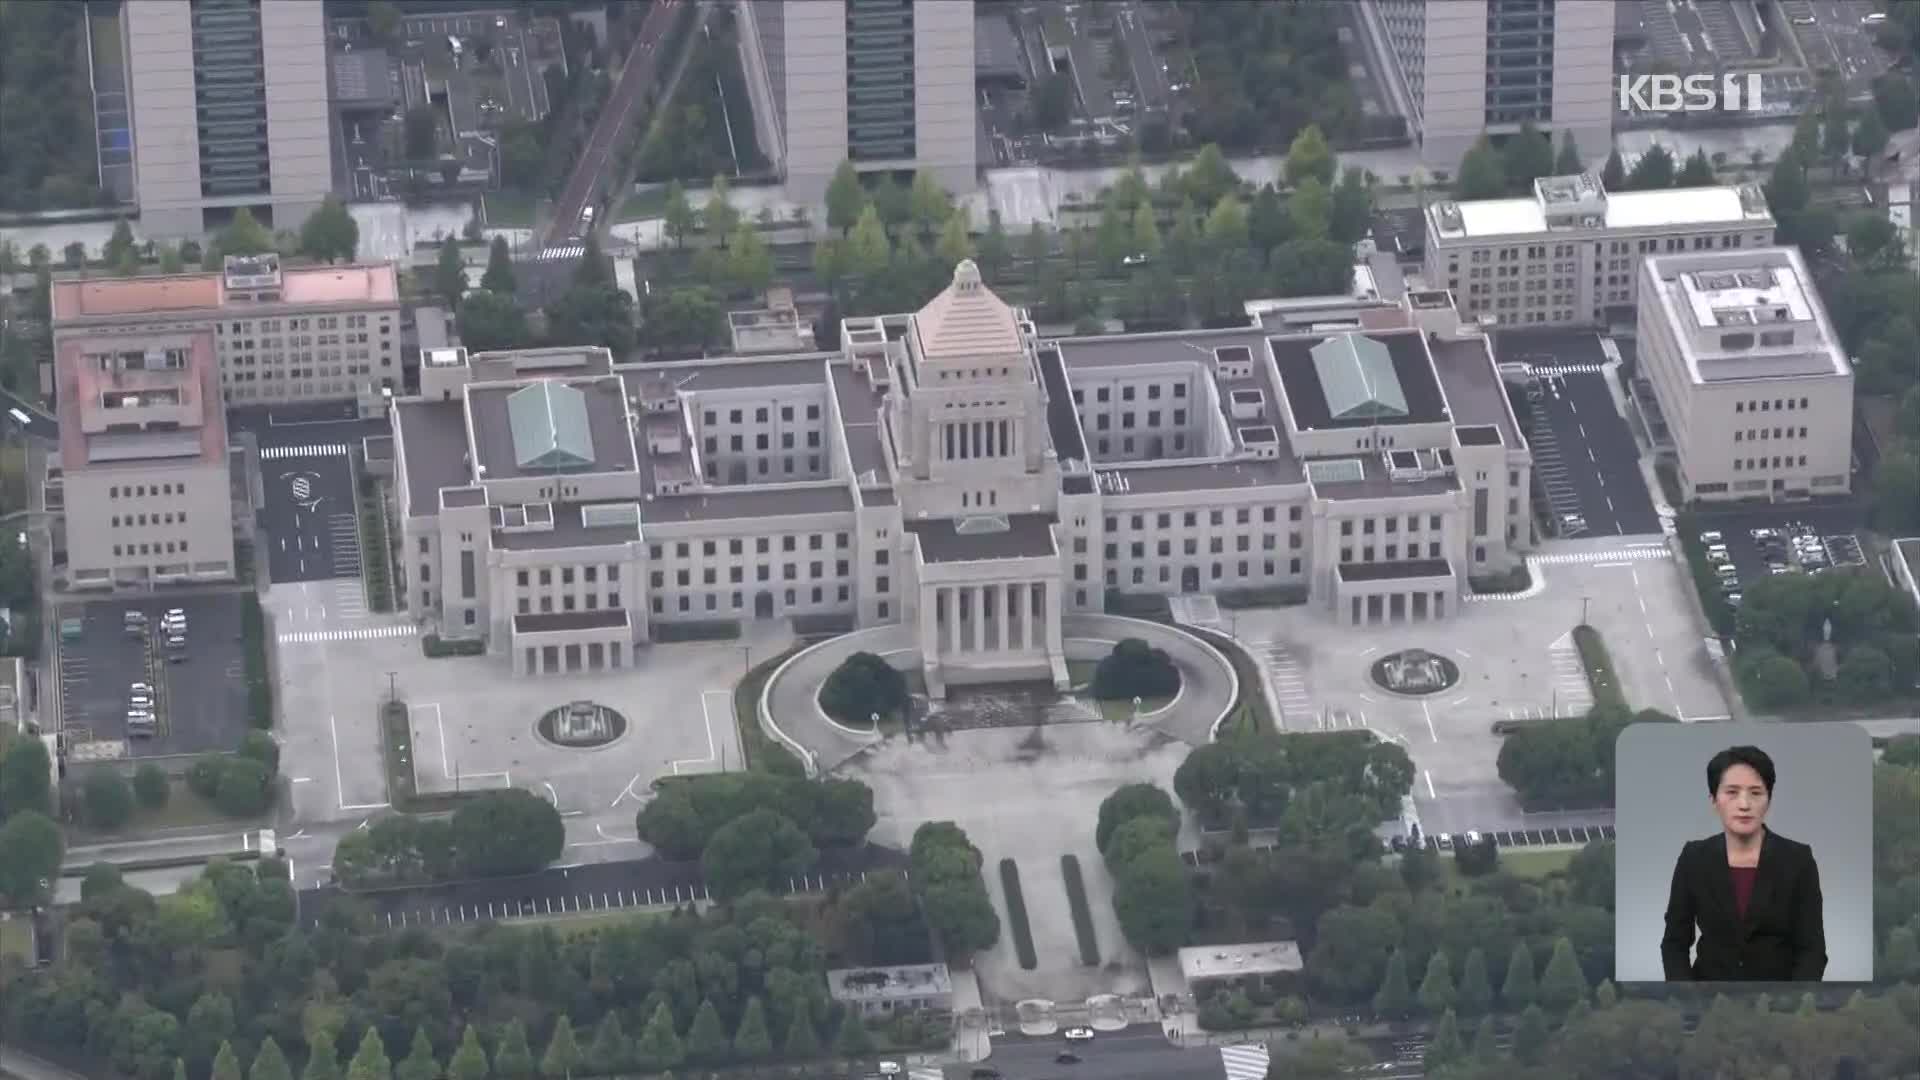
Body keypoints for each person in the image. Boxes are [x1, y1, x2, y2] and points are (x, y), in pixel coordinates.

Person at [1661, 745, 1826, 981]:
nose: (1744, 804)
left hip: (1777, 1005)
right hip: (1708, 1002)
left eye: (1756, 793)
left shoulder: (1798, 860)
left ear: (1768, 800)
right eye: (1732, 792)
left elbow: (1812, 950)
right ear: (1714, 800)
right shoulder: (1694, 858)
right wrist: (1688, 1000)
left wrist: (1793, 1004)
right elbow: (1674, 943)